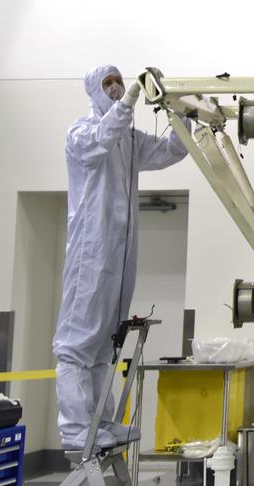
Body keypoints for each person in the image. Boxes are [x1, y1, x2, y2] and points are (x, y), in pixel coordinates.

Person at [53, 65, 190, 448]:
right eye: (107, 83)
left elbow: (172, 150)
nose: (114, 88)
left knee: (103, 345)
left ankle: (100, 422)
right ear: (93, 91)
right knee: (77, 343)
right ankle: (75, 429)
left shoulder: (128, 139)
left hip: (120, 251)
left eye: (118, 81)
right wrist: (130, 99)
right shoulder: (82, 132)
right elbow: (103, 136)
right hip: (90, 253)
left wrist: (180, 110)